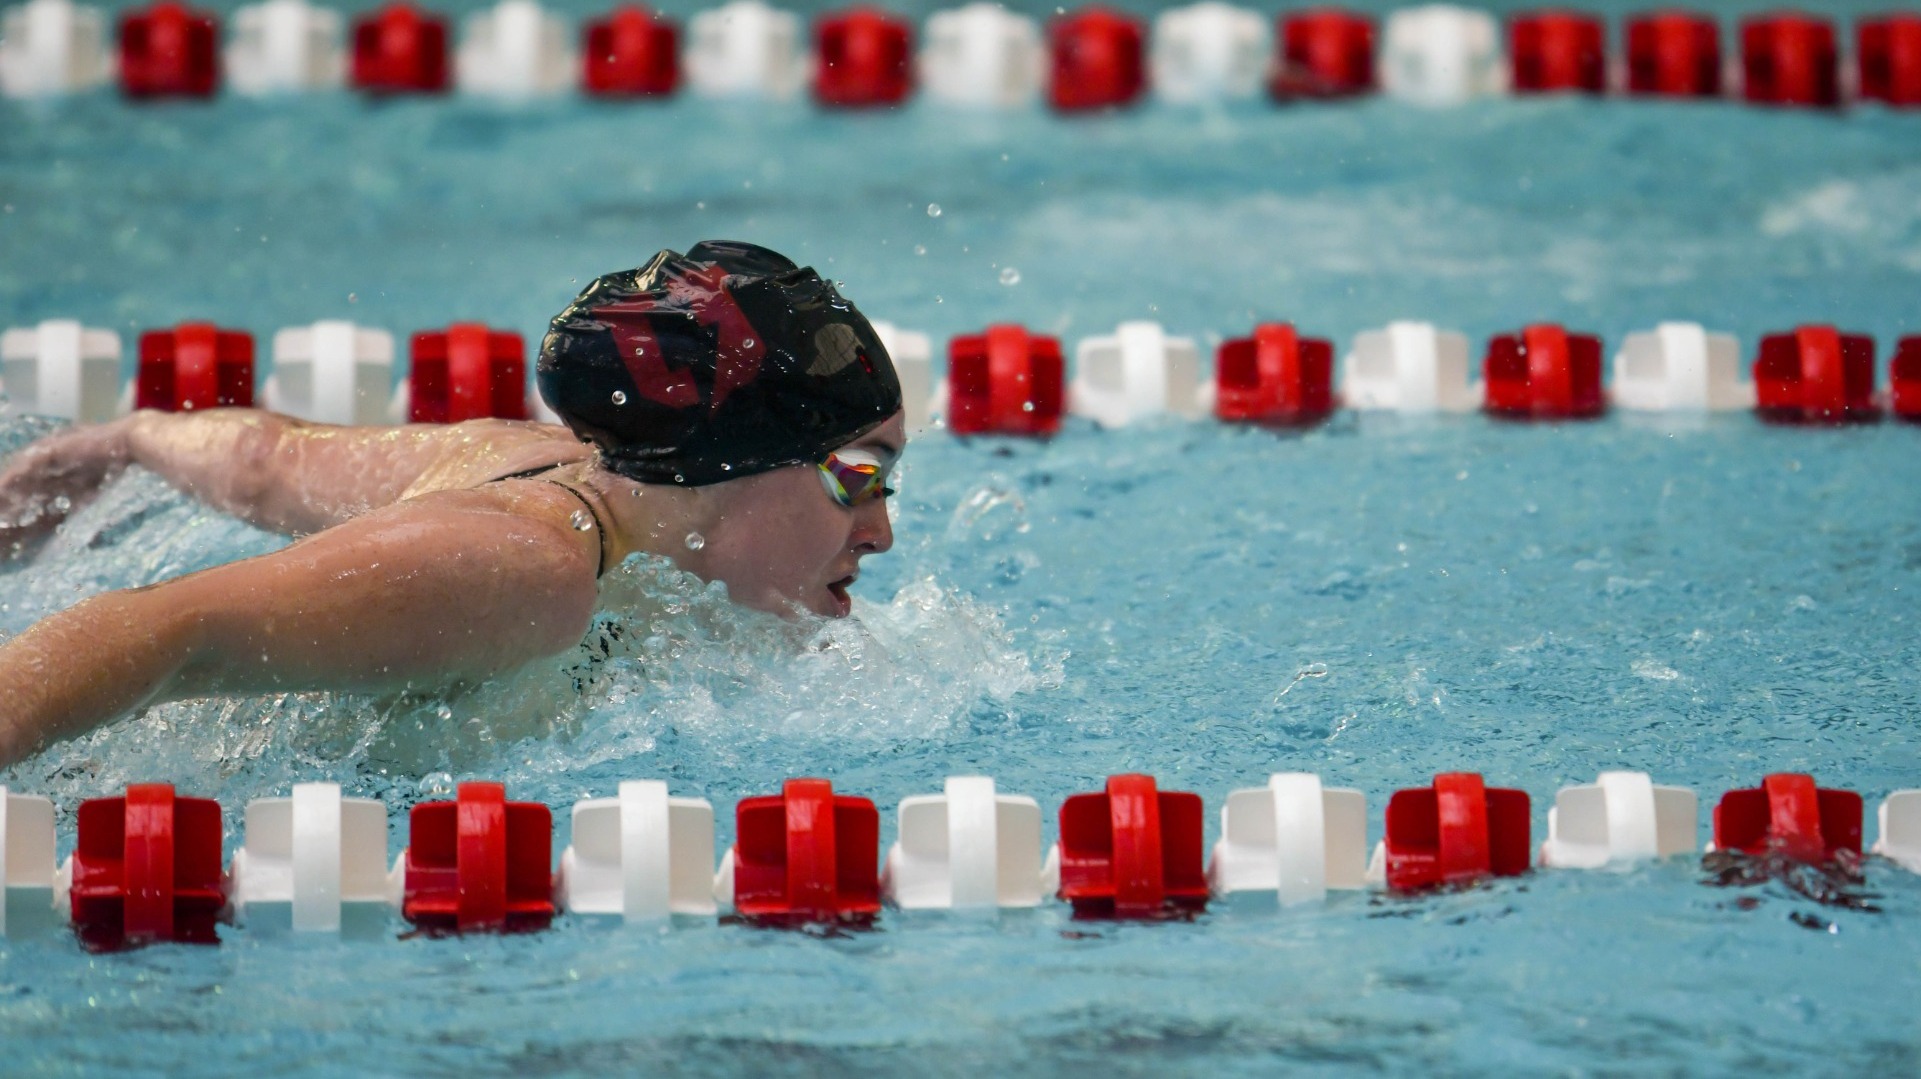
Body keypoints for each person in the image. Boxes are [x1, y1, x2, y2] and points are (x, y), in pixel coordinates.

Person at [0, 241, 905, 768]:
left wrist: (121, 443)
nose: (882, 529)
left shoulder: (540, 463)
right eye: (859, 473)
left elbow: (263, 462)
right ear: (732, 460)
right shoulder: (525, 574)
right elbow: (161, 628)